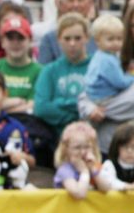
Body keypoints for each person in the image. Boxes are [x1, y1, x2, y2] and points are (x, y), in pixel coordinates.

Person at [80, 2, 134, 157]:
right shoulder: (111, 57)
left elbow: (131, 102)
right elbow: (87, 90)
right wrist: (89, 108)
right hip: (104, 144)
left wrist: (100, 111)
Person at [33, 14, 92, 142]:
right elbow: (41, 108)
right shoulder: (50, 70)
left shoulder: (96, 66)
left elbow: (100, 102)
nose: (72, 43)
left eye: (78, 38)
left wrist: (59, 102)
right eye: (67, 38)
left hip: (92, 139)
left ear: (87, 38)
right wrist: (77, 115)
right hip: (59, 140)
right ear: (59, 39)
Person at [0, 14, 42, 114]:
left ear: (30, 42)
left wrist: (1, 106)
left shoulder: (41, 71)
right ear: (2, 42)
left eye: (21, 38)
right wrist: (19, 101)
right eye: (10, 38)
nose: (15, 43)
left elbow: (35, 106)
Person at [37, 0, 98, 65]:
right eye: (70, 0)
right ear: (58, 3)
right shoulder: (49, 39)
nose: (76, 5)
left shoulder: (99, 35)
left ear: (90, 3)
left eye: (80, 0)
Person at [84, 14, 134, 104]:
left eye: (119, 39)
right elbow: (121, 83)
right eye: (110, 39)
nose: (116, 43)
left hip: (95, 96)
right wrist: (133, 76)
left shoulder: (100, 55)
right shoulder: (107, 60)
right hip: (103, 99)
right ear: (97, 41)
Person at [97, 124, 134, 192]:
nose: (129, 151)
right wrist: (127, 186)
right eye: (125, 147)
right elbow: (109, 182)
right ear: (117, 148)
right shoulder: (109, 164)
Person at [53, 121, 102, 200]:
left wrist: (93, 169)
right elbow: (79, 194)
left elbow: (106, 188)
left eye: (87, 147)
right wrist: (84, 172)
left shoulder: (93, 167)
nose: (83, 152)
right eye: (77, 147)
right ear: (66, 150)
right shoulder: (64, 170)